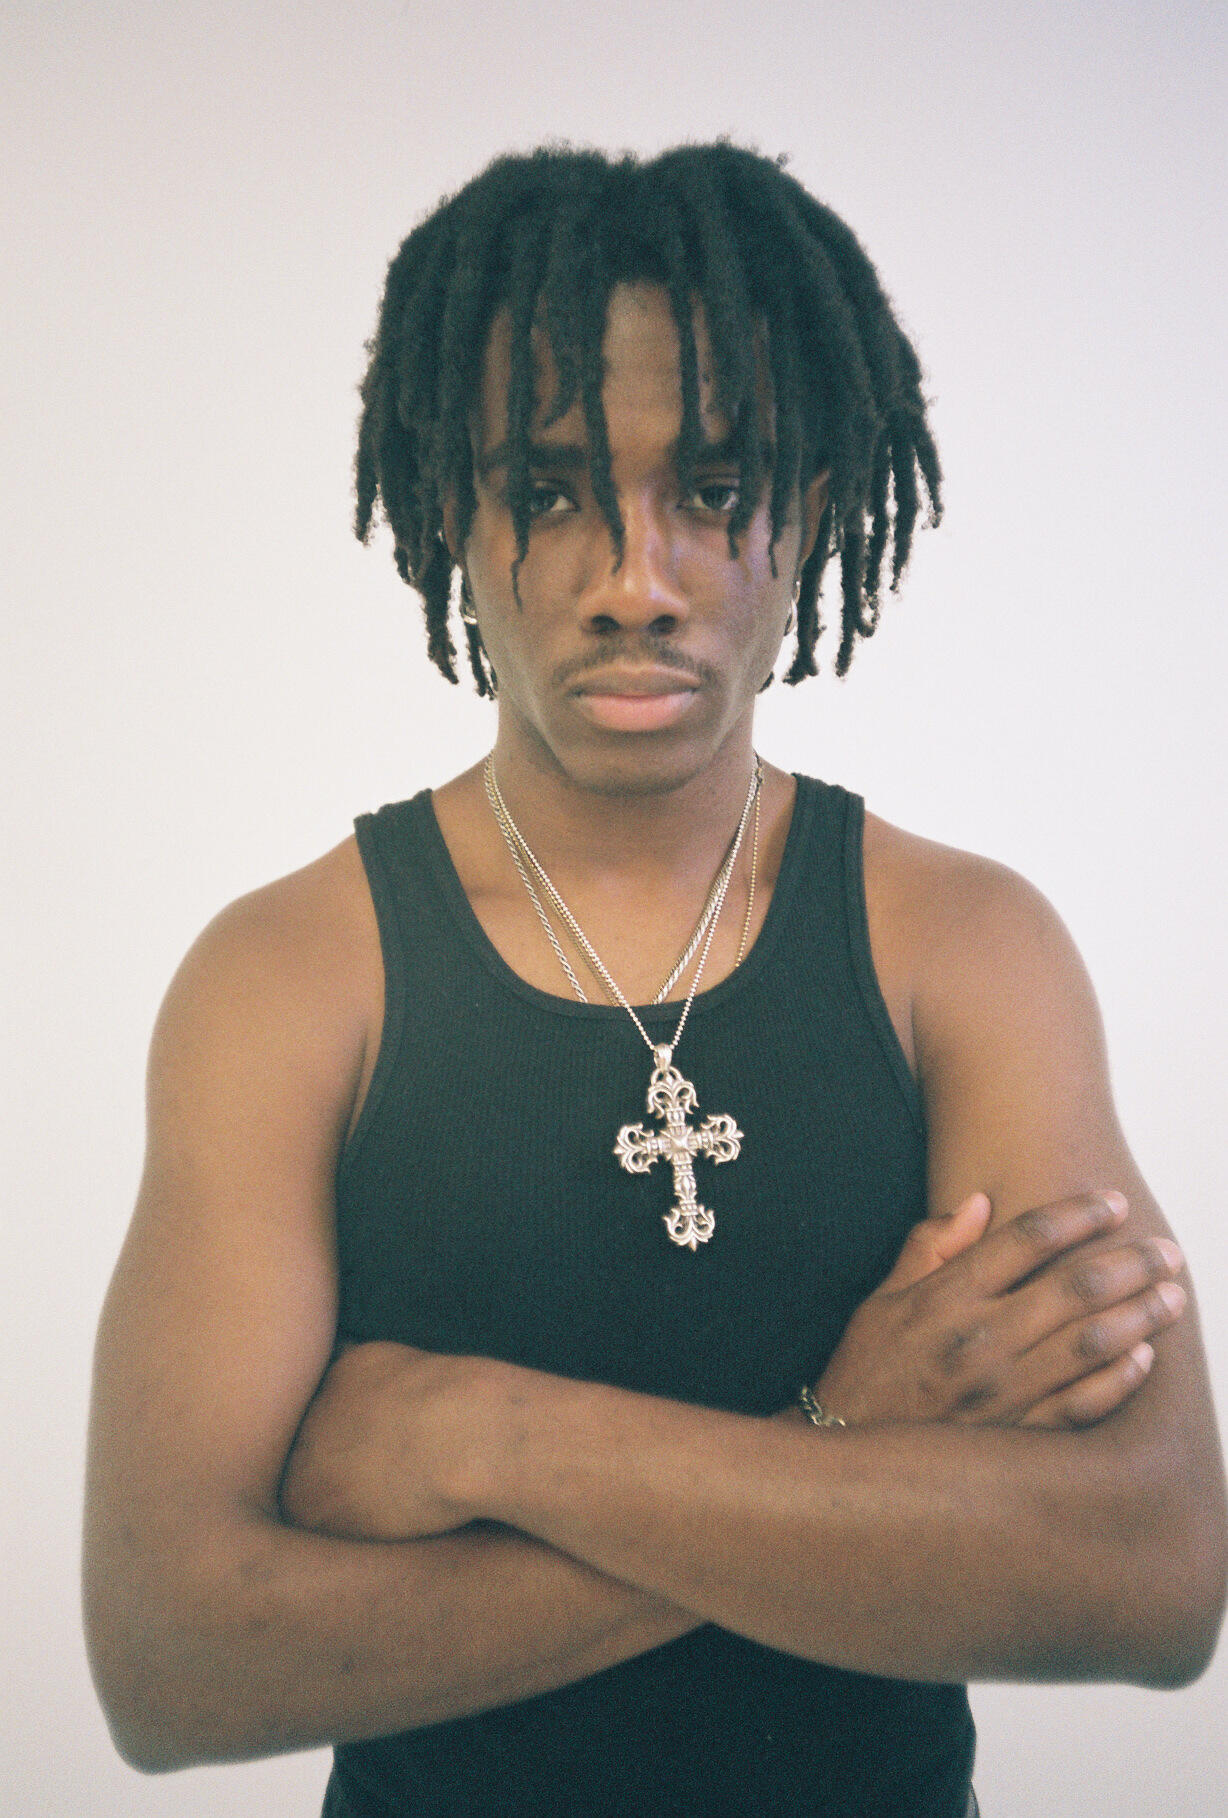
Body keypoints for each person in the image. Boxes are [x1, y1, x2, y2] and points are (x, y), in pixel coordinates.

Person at [84, 144, 1226, 1818]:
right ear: (451, 511)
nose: (637, 579)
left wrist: (490, 1436)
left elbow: (1153, 1574)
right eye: (549, 492)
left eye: (714, 487)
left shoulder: (966, 949)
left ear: (809, 517)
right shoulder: (288, 982)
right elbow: (175, 1659)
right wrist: (841, 1445)